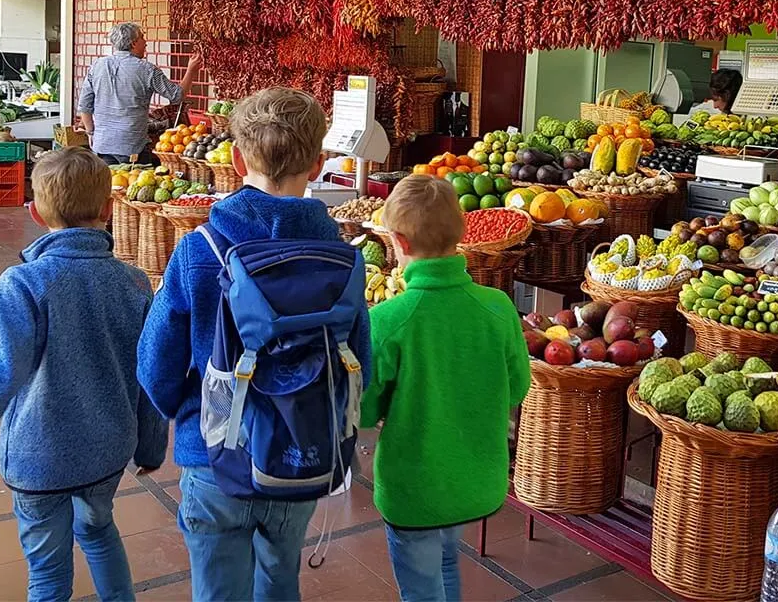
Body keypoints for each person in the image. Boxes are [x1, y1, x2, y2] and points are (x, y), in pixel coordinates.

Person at [138, 87, 372, 602]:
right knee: (281, 580)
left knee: (219, 590)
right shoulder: (341, 257)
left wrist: (191, 410)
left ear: (238, 157)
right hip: (300, 452)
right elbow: (362, 367)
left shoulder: (200, 251)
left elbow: (155, 365)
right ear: (316, 164)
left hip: (214, 455)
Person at [0, 148, 167, 602]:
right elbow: (150, 377)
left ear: (36, 213)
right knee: (99, 530)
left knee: (46, 573)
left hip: (38, 460)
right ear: (107, 208)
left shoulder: (23, 285)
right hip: (107, 451)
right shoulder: (136, 283)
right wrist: (151, 445)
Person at [361, 174, 531, 602]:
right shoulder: (498, 307)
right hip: (477, 482)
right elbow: (517, 387)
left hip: (414, 490)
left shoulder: (387, 320)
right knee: (445, 559)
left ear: (397, 241)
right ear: (462, 231)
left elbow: (363, 410)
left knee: (422, 584)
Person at [78, 22, 200, 165]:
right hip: (132, 147)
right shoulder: (147, 70)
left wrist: (91, 133)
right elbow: (177, 96)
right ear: (134, 42)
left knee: (109, 185)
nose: (146, 42)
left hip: (102, 145)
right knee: (134, 183)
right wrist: (191, 70)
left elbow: (85, 107)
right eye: (143, 37)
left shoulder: (97, 66)